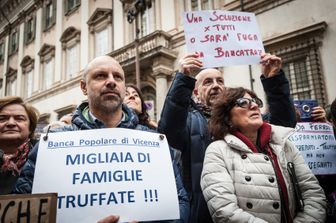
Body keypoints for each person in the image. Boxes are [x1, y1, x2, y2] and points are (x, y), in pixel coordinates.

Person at [14, 56, 189, 223]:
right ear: (84, 87)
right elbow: (22, 211)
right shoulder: (53, 145)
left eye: (118, 77)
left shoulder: (152, 141)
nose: (111, 81)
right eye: (101, 76)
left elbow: (179, 203)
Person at [158, 53, 297, 222]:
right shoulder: (190, 121)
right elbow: (169, 130)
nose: (216, 86)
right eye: (208, 82)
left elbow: (282, 122)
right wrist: (183, 80)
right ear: (196, 91)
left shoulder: (243, 118)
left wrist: (273, 81)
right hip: (203, 212)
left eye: (220, 81)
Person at [201, 87, 326, 223]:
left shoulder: (284, 144)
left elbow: (312, 193)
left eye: (255, 101)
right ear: (227, 118)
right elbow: (224, 211)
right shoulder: (217, 151)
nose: (254, 105)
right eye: (243, 102)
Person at [0, 96, 39, 195]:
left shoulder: (46, 155)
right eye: (2, 119)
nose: (11, 123)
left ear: (30, 127)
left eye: (19, 119)